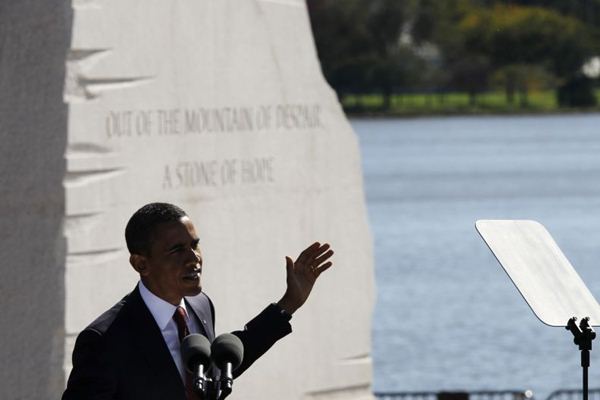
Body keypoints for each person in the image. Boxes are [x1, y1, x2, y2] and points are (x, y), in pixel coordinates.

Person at [62, 202, 334, 400]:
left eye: (195, 244)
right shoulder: (104, 340)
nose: (194, 258)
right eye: (177, 249)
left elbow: (220, 366)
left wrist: (289, 303)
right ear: (141, 263)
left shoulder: (200, 306)